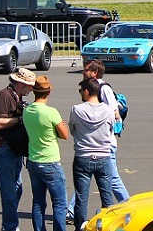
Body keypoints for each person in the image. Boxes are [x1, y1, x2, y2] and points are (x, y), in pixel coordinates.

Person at [0, 68, 36, 231]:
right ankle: (10, 227)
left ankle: (8, 224)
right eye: (30, 86)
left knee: (17, 189)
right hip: (3, 148)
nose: (31, 89)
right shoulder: (4, 96)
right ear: (21, 83)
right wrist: (20, 119)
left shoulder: (18, 96)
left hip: (14, 148)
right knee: (9, 192)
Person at [23, 76, 69, 231]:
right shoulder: (51, 112)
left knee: (38, 201)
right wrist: (58, 128)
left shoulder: (27, 110)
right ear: (48, 92)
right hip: (50, 162)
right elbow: (65, 134)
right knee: (59, 203)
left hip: (33, 160)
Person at [68, 78, 114, 231]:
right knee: (107, 197)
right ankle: (108, 226)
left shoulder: (76, 110)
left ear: (87, 92)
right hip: (103, 156)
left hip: (83, 155)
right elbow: (111, 129)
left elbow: (72, 129)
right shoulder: (108, 110)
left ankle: (80, 227)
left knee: (81, 198)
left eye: (81, 91)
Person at [82, 60, 128, 203]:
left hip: (106, 143)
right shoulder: (90, 87)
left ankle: (128, 205)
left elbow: (115, 114)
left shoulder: (104, 89)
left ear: (95, 73)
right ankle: (71, 210)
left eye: (86, 70)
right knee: (85, 178)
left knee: (112, 179)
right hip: (95, 142)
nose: (83, 72)